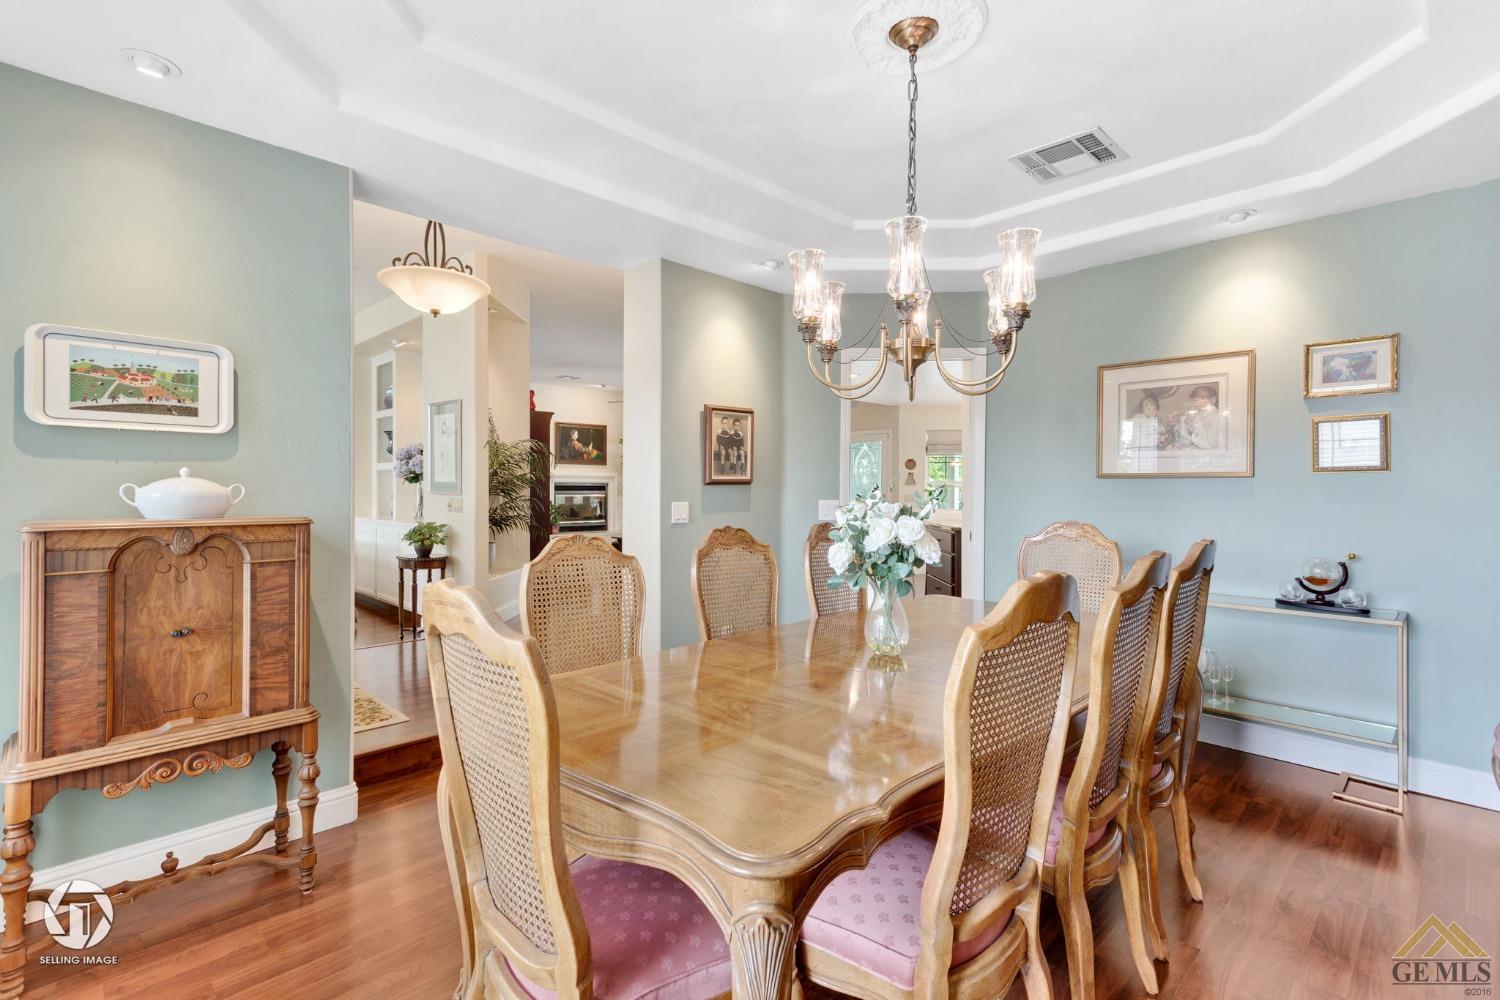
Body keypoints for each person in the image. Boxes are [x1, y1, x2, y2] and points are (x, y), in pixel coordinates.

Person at [1177, 385, 1222, 450]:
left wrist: (1191, 426)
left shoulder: (1217, 416)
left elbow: (1208, 444)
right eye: (1195, 400)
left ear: (1212, 399)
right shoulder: (1198, 413)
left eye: (1197, 400)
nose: (1195, 403)